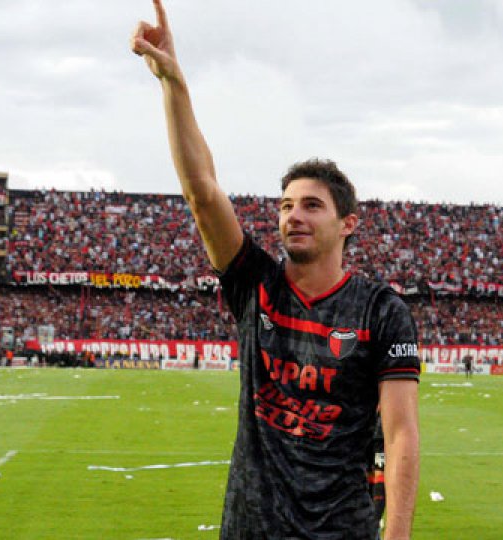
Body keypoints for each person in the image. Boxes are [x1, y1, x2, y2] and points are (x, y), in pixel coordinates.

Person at [131, 2, 421, 538]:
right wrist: (173, 83)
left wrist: (398, 534)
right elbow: (202, 192)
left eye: (311, 205)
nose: (294, 216)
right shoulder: (255, 284)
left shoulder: (381, 311)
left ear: (347, 223)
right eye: (286, 206)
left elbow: (401, 433)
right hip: (253, 528)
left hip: (342, 529)